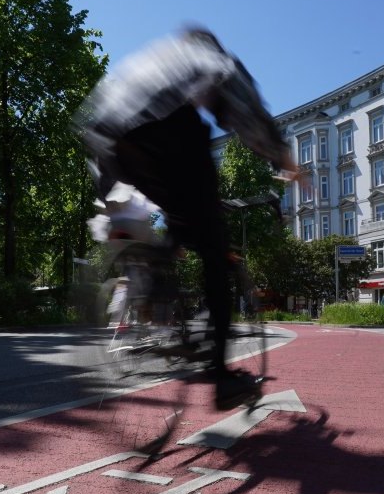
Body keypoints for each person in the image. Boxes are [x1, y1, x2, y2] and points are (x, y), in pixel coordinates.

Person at [75, 26, 297, 409]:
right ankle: (223, 379)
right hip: (167, 132)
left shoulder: (148, 60)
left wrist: (108, 195)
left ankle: (162, 279)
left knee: (179, 214)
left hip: (110, 146)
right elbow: (240, 100)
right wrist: (282, 156)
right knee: (214, 248)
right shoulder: (206, 56)